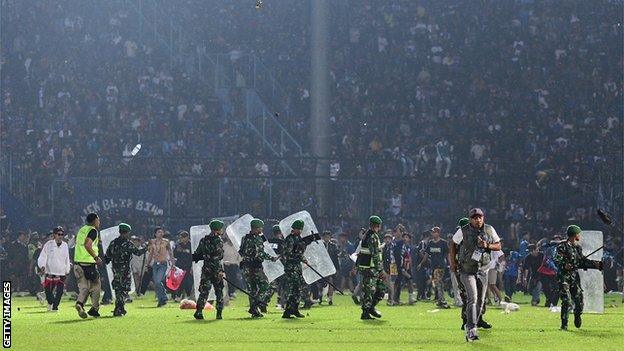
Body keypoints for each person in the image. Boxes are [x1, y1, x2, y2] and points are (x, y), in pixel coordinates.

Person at [450, 208, 501, 342]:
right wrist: (453, 262)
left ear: (483, 218)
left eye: (479, 217)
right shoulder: (463, 230)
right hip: (467, 269)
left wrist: (487, 245)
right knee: (472, 298)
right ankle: (471, 329)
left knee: (481, 301)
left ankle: (472, 324)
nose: (477, 220)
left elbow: (499, 245)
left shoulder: (490, 229)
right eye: (474, 217)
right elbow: (453, 243)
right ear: (470, 219)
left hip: (483, 269)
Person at [554, 225, 603, 330]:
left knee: (579, 300)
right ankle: (564, 325)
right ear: (574, 235)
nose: (579, 236)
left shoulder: (577, 247)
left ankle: (577, 315)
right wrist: (565, 264)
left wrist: (596, 265)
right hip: (564, 277)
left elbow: (581, 262)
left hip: (574, 277)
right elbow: (557, 259)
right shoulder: (562, 246)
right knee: (566, 300)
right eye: (578, 234)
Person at [104, 223, 148, 316]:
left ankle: (121, 307)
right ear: (127, 232)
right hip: (125, 270)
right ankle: (118, 308)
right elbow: (138, 253)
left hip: (115, 269)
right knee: (124, 289)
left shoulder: (113, 243)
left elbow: (107, 257)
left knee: (118, 288)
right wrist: (147, 248)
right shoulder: (128, 243)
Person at [239, 218, 274, 318]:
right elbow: (260, 254)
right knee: (265, 286)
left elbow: (241, 251)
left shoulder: (244, 238)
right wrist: (271, 258)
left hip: (246, 267)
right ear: (256, 228)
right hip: (255, 267)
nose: (261, 229)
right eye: (260, 228)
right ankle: (254, 306)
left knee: (252, 290)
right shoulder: (258, 239)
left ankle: (255, 312)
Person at [192, 220, 226, 320]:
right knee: (219, 291)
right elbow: (219, 257)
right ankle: (219, 313)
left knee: (204, 291)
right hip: (216, 270)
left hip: (206, 269)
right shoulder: (218, 240)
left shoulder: (203, 240)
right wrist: (220, 271)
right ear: (217, 229)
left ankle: (199, 312)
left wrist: (205, 256)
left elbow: (197, 254)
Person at [73, 213, 103, 319]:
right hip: (89, 264)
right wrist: (96, 257)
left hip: (77, 264)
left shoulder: (82, 230)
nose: (99, 222)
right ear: (94, 220)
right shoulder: (93, 230)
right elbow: (87, 244)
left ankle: (79, 304)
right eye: (98, 220)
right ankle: (94, 309)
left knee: (84, 288)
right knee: (96, 287)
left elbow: (79, 242)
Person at [356, 215, 386, 320]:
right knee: (370, 291)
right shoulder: (373, 236)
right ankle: (366, 311)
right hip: (370, 268)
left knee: (378, 289)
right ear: (377, 225)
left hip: (368, 267)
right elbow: (375, 254)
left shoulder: (366, 235)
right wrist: (381, 270)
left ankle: (370, 308)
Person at [37, 226, 71, 312]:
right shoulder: (48, 244)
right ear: (54, 235)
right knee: (48, 292)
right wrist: (42, 266)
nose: (60, 236)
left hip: (61, 272)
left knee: (59, 292)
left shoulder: (65, 245)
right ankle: (50, 303)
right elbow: (43, 256)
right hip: (50, 272)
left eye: (62, 234)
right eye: (58, 234)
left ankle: (55, 307)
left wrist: (67, 269)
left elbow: (67, 258)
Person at [419, 227, 450, 308]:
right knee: (437, 283)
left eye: (434, 232)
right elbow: (426, 254)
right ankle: (440, 300)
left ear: (438, 233)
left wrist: (450, 264)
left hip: (440, 266)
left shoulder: (443, 243)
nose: (432, 234)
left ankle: (442, 300)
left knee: (438, 282)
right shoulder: (430, 243)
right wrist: (421, 263)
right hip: (433, 266)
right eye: (432, 232)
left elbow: (447, 254)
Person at [281, 220, 307, 318]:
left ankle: (295, 309)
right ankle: (287, 311)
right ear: (294, 229)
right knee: (291, 289)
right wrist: (299, 257)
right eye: (299, 229)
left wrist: (303, 258)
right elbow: (288, 254)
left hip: (297, 267)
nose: (300, 231)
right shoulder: (290, 239)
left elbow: (300, 253)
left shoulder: (299, 239)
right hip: (291, 267)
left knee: (298, 289)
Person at [147, 227, 174, 307]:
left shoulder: (166, 241)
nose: (161, 233)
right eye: (159, 232)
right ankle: (161, 300)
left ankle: (164, 297)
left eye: (162, 232)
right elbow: (151, 253)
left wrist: (173, 263)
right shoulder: (152, 242)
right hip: (155, 264)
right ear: (155, 234)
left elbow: (170, 252)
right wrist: (147, 264)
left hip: (163, 264)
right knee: (156, 283)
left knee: (158, 281)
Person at [394, 232, 415, 305]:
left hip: (408, 267)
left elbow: (410, 257)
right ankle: (395, 299)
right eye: (404, 237)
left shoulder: (410, 247)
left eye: (407, 237)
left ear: (409, 239)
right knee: (398, 283)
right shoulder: (399, 246)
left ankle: (411, 298)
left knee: (410, 281)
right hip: (400, 267)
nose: (405, 238)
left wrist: (410, 266)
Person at [173, 231, 193, 302]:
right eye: (181, 237)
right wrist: (177, 251)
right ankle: (179, 295)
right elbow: (175, 255)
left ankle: (187, 295)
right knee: (180, 281)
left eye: (183, 237)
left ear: (187, 237)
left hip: (188, 266)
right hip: (180, 266)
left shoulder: (191, 245)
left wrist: (192, 267)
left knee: (188, 281)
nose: (181, 239)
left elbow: (192, 256)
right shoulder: (178, 245)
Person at [322, 231, 340, 305]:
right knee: (322, 282)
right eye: (325, 236)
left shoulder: (333, 246)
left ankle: (330, 299)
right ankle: (320, 296)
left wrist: (337, 268)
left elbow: (336, 258)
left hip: (331, 266)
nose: (327, 238)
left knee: (331, 281)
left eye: (328, 236)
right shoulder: (320, 245)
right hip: (322, 266)